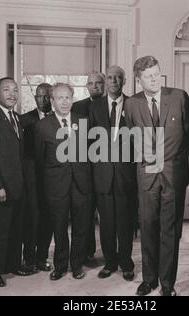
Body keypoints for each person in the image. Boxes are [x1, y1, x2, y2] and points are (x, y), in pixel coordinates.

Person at [125, 56, 189, 296]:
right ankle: (149, 279)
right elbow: (131, 137)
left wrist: (174, 159)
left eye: (156, 73)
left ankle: (167, 284)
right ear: (138, 80)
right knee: (147, 228)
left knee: (170, 230)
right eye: (148, 76)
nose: (154, 79)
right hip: (146, 175)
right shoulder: (131, 104)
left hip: (173, 175)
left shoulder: (178, 97)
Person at [0, 77, 35, 288]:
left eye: (15, 90)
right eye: (6, 90)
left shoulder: (17, 117)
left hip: (17, 187)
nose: (12, 94)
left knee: (15, 231)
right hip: (0, 188)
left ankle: (12, 265)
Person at [35, 83, 92, 281]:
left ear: (72, 99)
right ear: (52, 101)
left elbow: (90, 154)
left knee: (81, 226)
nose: (65, 102)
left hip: (81, 184)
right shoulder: (42, 126)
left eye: (68, 97)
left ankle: (76, 265)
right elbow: (39, 159)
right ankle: (60, 266)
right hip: (55, 185)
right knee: (59, 226)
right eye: (60, 98)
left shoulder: (83, 121)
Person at [88, 66, 137, 281]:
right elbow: (89, 142)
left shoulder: (134, 104)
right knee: (106, 223)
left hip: (126, 175)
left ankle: (126, 263)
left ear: (124, 81)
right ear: (105, 81)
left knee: (126, 223)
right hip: (103, 175)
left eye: (118, 77)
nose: (114, 81)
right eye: (110, 77)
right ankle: (110, 262)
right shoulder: (95, 106)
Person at [72, 71, 106, 263]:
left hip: (105, 167)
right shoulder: (77, 107)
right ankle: (86, 251)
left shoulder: (112, 105)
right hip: (84, 168)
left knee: (106, 215)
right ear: (86, 86)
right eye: (91, 83)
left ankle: (110, 254)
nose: (94, 86)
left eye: (98, 83)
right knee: (84, 214)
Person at [20, 83, 54, 273]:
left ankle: (42, 258)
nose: (43, 100)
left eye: (47, 96)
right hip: (31, 179)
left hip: (52, 178)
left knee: (48, 218)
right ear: (35, 98)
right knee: (31, 218)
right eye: (39, 96)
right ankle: (29, 259)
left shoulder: (59, 120)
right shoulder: (24, 120)